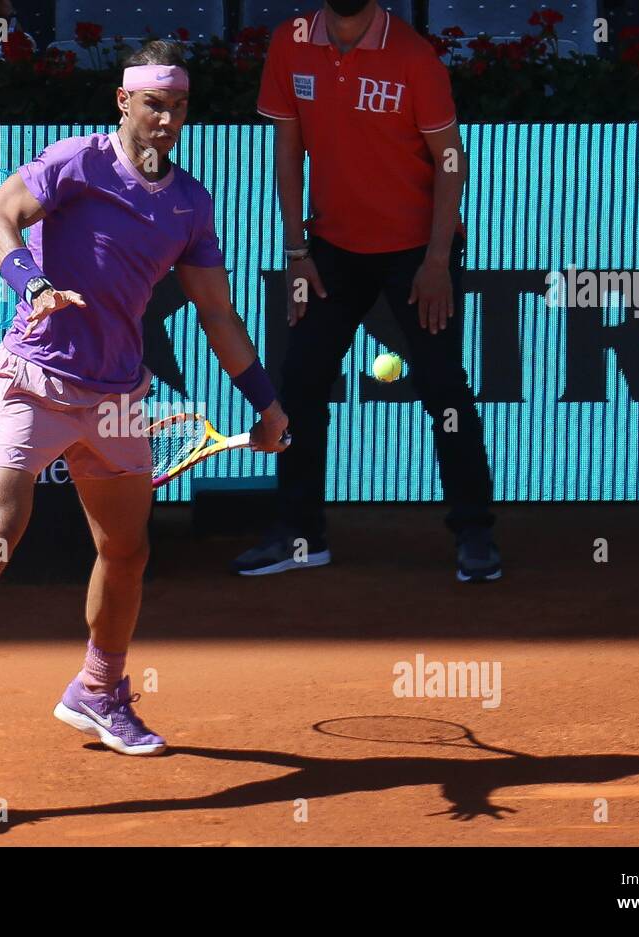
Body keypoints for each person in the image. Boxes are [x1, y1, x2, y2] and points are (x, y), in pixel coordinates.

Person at [0, 39, 290, 774]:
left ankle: (99, 688)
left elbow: (217, 314)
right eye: (153, 103)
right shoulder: (76, 161)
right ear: (124, 102)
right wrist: (33, 286)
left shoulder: (189, 203)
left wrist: (265, 402)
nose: (166, 118)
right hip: (32, 380)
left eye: (178, 105)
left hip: (115, 399)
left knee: (127, 551)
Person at [235, 0, 501, 582]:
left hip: (417, 251)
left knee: (443, 387)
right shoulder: (290, 42)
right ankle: (302, 535)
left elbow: (450, 159)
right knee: (301, 381)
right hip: (332, 248)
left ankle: (475, 532)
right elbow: (288, 146)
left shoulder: (414, 57)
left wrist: (437, 259)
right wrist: (296, 251)